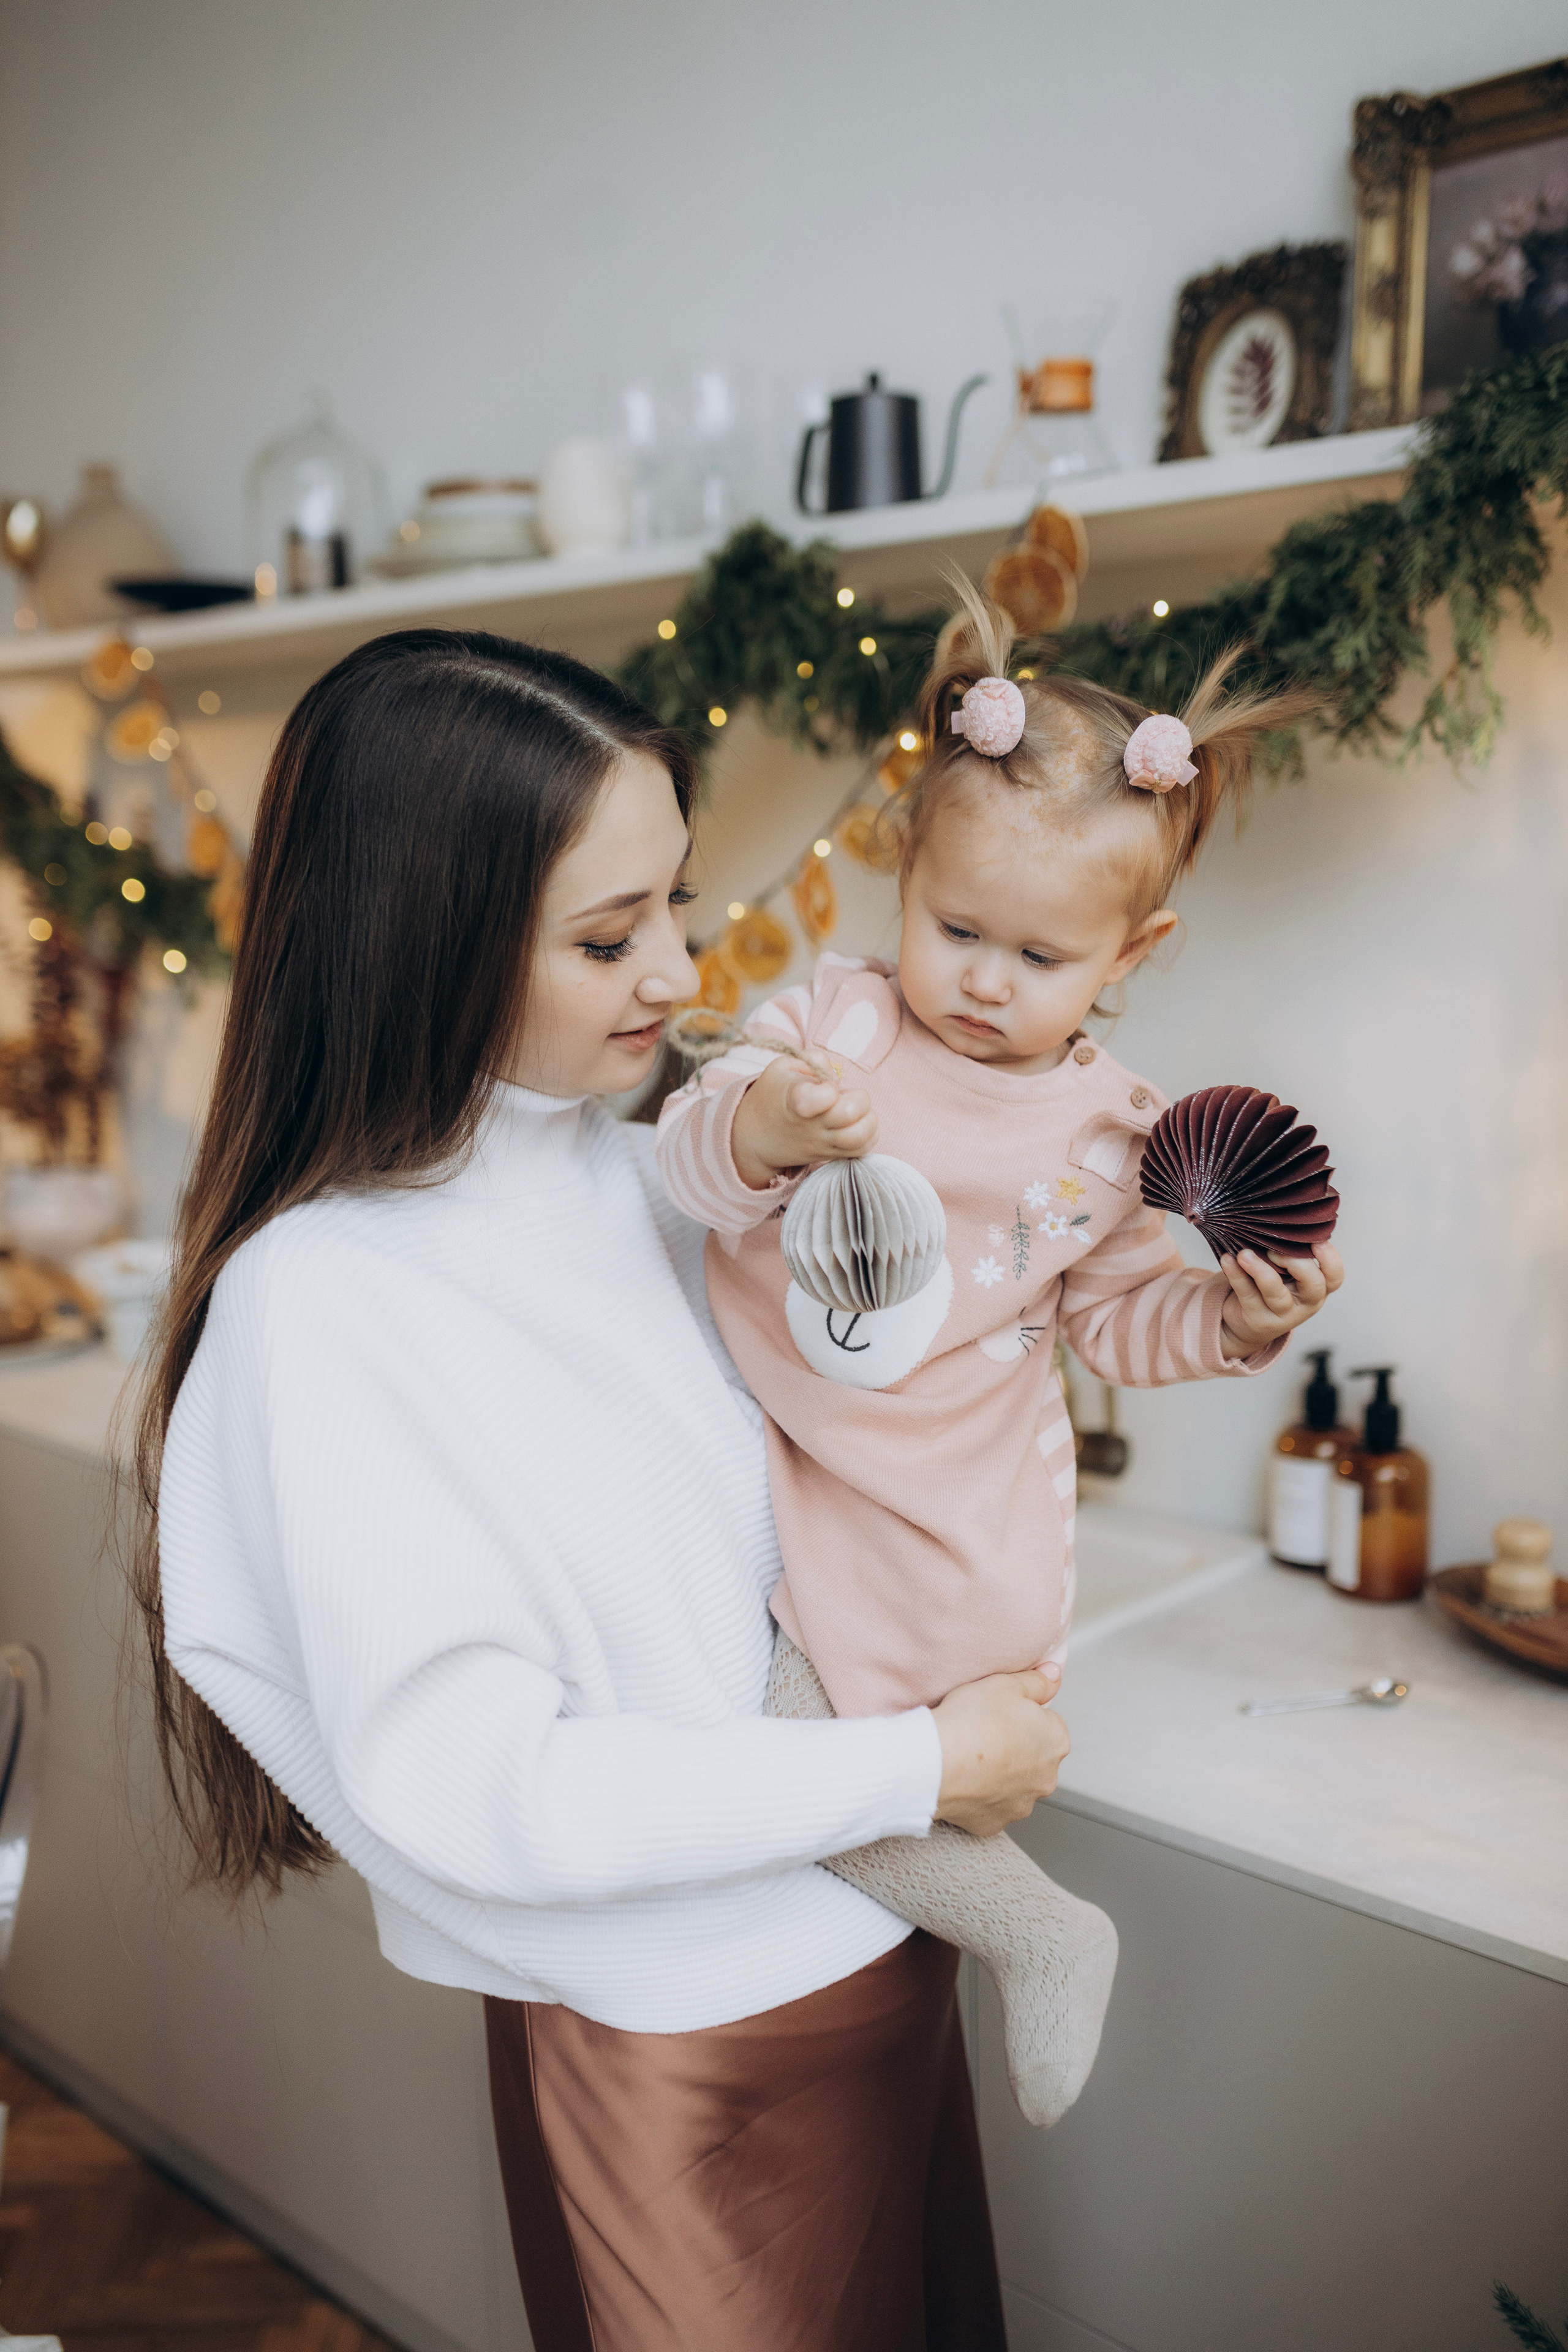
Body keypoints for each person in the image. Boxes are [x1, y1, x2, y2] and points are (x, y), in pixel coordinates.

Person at [132, 626, 1069, 2352]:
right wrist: (931, 1764)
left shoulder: (654, 1170)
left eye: (679, 906)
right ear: (428, 941)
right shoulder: (324, 1300)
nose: (678, 970)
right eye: (606, 936)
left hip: (883, 1954)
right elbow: (496, 1792)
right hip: (680, 2050)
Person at [656, 583, 1344, 2130]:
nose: (978, 979)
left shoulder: (1113, 1137)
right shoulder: (833, 1029)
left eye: (1035, 956)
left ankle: (1039, 1931)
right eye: (955, 929)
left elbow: (1110, 1320)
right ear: (902, 878)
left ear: (1130, 951)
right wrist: (760, 1128)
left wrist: (1228, 1323)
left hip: (965, 1514)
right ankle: (1019, 1932)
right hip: (804, 1471)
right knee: (779, 1751)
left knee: (808, 1765)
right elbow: (687, 1175)